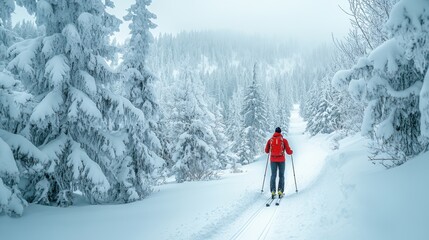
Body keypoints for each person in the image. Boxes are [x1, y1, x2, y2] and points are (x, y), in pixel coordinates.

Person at [265, 127, 293, 199]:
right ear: (280, 132)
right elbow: (288, 152)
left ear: (274, 132)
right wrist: (291, 151)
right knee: (281, 175)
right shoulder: (284, 140)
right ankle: (280, 191)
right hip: (281, 160)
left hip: (273, 160)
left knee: (273, 175)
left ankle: (273, 191)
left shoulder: (270, 140)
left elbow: (266, 151)